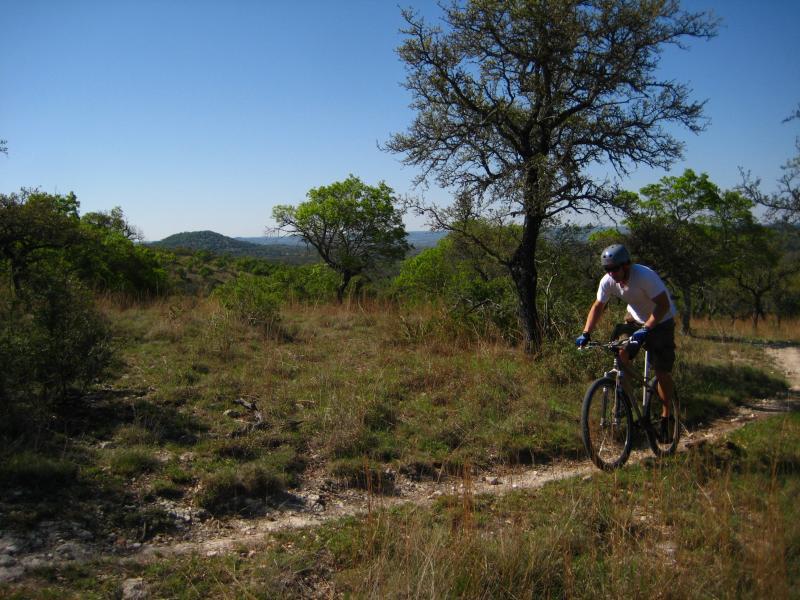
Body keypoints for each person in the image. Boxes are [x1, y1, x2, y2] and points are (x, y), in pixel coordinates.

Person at [576, 244, 677, 439]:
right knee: (621, 355)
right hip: (634, 319)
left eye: (615, 269)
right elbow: (598, 306)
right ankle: (626, 403)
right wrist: (586, 332)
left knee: (661, 370)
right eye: (607, 269)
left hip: (661, 320)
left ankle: (666, 416)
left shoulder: (644, 276)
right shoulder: (608, 281)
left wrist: (647, 328)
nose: (611, 273)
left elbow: (663, 304)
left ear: (626, 265)